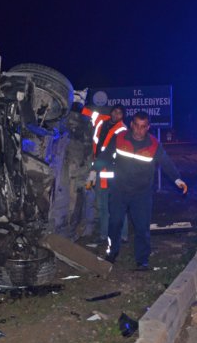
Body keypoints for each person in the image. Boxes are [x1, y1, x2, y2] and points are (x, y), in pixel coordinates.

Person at [105, 112, 187, 269]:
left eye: (143, 127)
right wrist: (94, 172)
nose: (138, 130)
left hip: (141, 193)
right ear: (131, 125)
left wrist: (177, 179)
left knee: (142, 227)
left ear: (148, 128)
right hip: (119, 190)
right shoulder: (120, 138)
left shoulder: (154, 144)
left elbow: (166, 162)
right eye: (136, 125)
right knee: (115, 223)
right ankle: (111, 253)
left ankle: (142, 260)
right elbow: (106, 155)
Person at [80, 101, 129, 244]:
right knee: (102, 206)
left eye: (119, 113)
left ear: (123, 116)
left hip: (114, 171)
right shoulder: (102, 120)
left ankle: (122, 235)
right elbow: (89, 113)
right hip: (99, 168)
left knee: (117, 205)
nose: (116, 114)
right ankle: (104, 235)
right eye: (114, 111)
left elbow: (109, 153)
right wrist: (78, 103)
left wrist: (94, 170)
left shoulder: (122, 131)